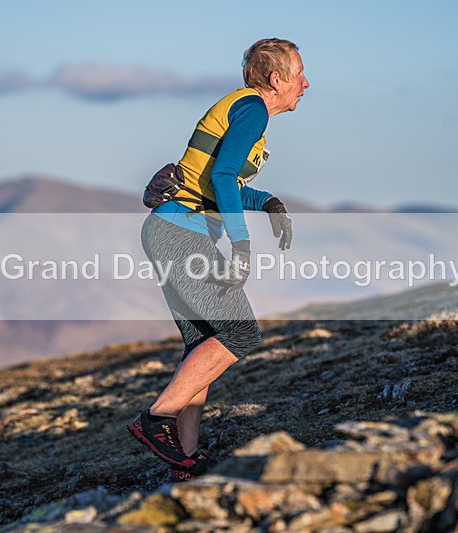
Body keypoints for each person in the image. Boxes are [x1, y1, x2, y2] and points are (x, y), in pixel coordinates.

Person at [128, 38, 309, 482]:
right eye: (299, 73)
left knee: (202, 345)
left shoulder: (248, 112)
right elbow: (225, 175)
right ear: (276, 80)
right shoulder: (253, 109)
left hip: (172, 228)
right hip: (180, 232)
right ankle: (156, 420)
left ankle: (184, 462)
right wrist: (242, 245)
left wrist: (267, 202)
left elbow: (215, 179)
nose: (306, 83)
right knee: (240, 332)